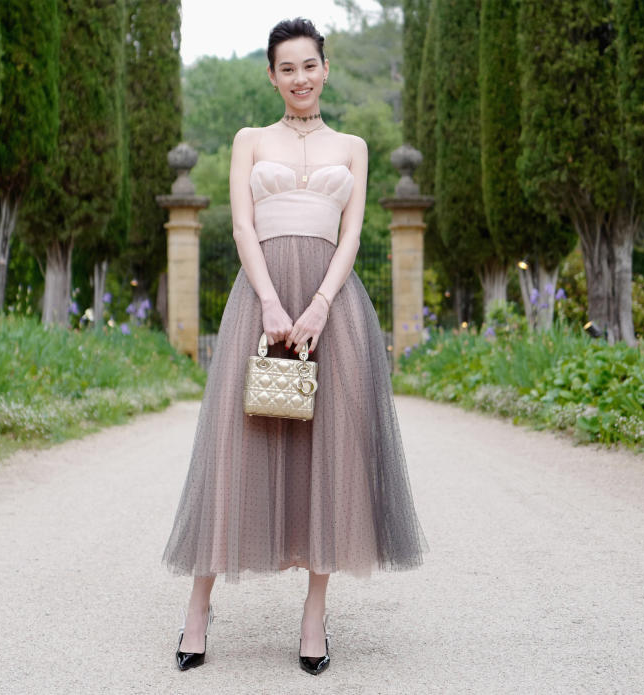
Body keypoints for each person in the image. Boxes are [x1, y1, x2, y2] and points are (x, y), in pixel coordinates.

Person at [162, 17, 428, 675]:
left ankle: (314, 617)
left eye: (310, 65)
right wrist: (273, 302)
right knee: (234, 446)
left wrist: (317, 306)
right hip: (260, 298)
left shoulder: (354, 146)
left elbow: (354, 235)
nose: (300, 78)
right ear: (273, 75)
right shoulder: (250, 139)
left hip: (331, 308)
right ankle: (198, 608)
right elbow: (245, 224)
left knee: (330, 454)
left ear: (325, 68)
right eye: (287, 68)